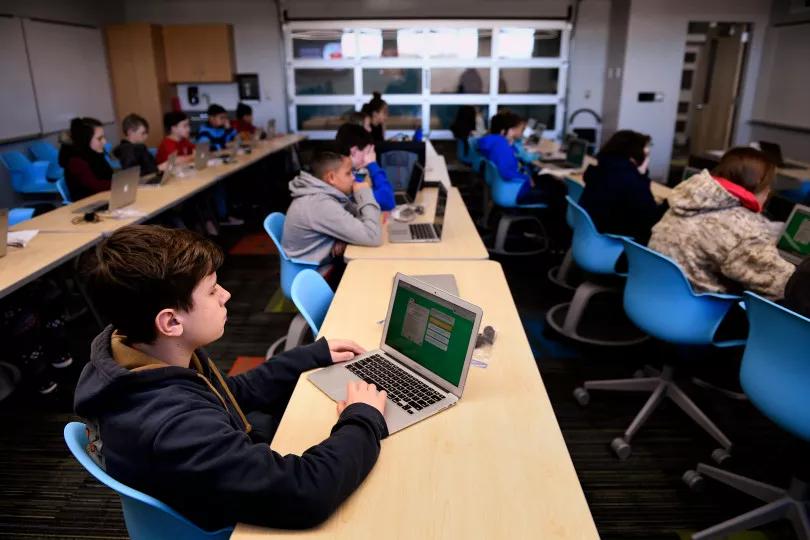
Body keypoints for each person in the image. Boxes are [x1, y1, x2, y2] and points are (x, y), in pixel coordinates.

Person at [74, 225, 388, 531]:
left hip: (212, 482)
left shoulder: (144, 350)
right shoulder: (176, 425)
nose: (226, 294)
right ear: (170, 322)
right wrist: (363, 417)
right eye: (212, 290)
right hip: (223, 522)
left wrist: (309, 356)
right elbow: (305, 492)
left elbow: (227, 394)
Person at [649, 147, 795, 299]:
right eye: (768, 185)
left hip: (652, 294)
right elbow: (786, 286)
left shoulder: (683, 199)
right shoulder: (744, 229)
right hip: (696, 310)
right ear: (759, 184)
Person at [283, 151, 382, 267]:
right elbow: (372, 236)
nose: (353, 178)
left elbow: (360, 218)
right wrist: (364, 193)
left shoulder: (325, 194)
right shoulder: (319, 204)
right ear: (331, 178)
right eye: (348, 173)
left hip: (323, 262)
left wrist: (344, 237)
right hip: (313, 274)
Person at [579, 130, 667, 244]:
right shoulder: (631, 181)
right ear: (633, 156)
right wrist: (667, 204)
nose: (648, 160)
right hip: (617, 243)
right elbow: (651, 220)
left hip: (591, 236)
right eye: (646, 155)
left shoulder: (600, 170)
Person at [335, 123, 395, 212]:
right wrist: (373, 165)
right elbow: (388, 202)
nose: (371, 155)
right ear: (353, 151)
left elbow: (362, 183)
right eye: (368, 152)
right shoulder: (343, 180)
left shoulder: (356, 171)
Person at [58, 117, 113, 201]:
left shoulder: (95, 154)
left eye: (104, 137)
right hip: (88, 205)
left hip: (103, 199)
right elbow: (96, 186)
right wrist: (120, 183)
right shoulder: (76, 161)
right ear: (86, 139)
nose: (104, 141)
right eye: (99, 138)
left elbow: (109, 177)